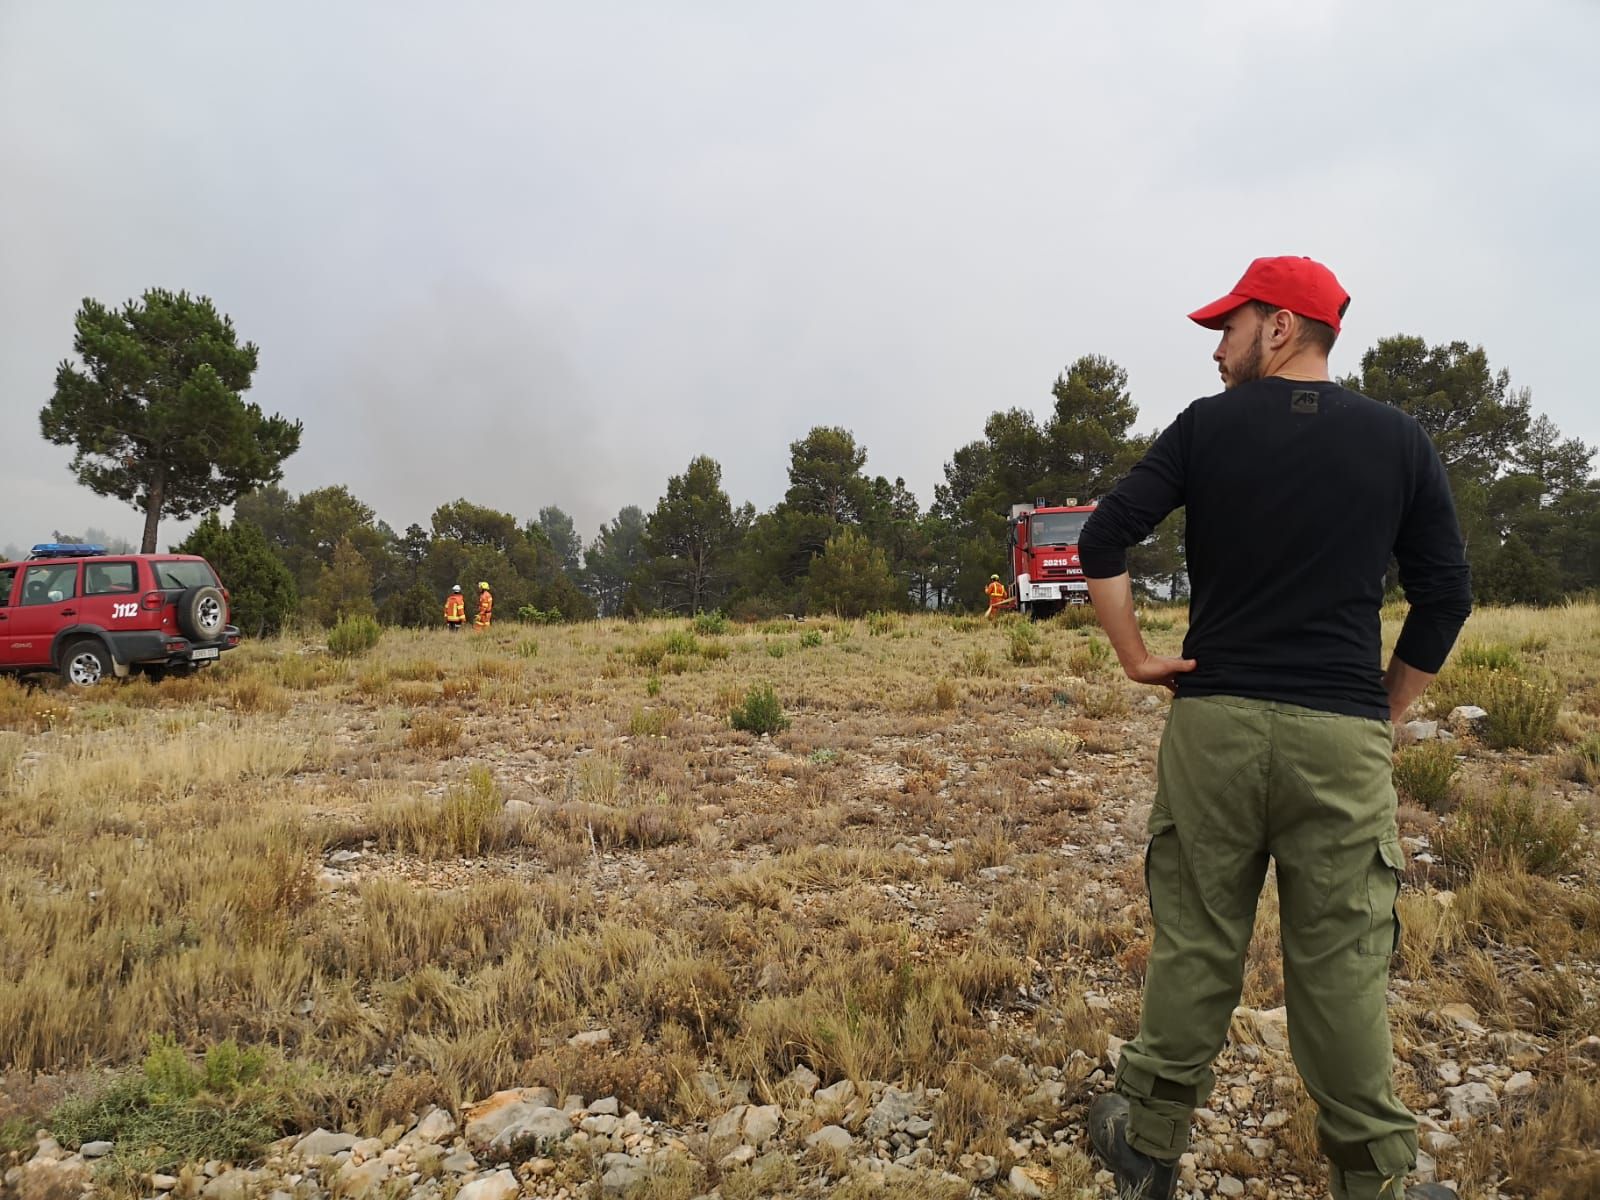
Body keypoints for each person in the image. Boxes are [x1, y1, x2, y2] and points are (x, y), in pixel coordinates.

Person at [1075, 256, 1470, 1200]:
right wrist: (1385, 709)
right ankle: (1375, 1175)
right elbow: (1444, 593)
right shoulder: (1399, 441)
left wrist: (1136, 658)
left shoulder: (1206, 429)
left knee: (1198, 938)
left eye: (1231, 326)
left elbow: (1101, 539)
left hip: (1212, 724)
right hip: (1340, 737)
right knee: (1340, 961)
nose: (1218, 349)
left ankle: (1151, 1141)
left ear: (1282, 327)